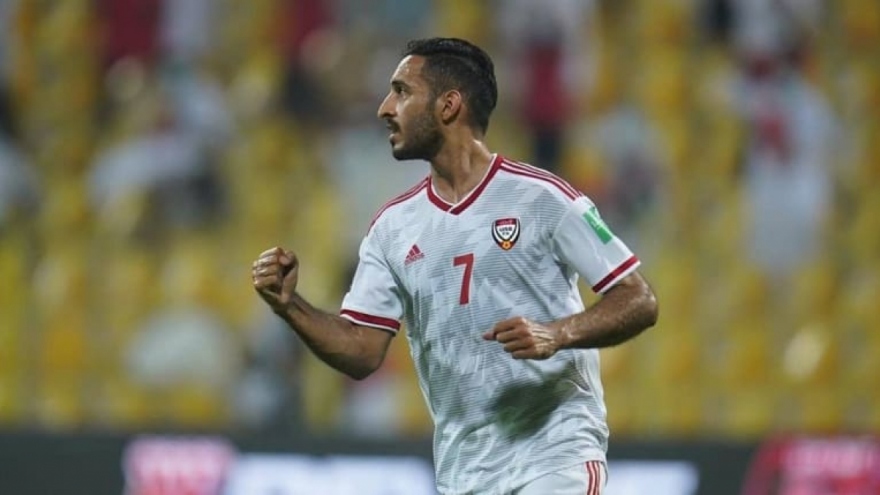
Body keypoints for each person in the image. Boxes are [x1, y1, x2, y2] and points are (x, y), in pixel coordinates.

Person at [252, 37, 659, 495]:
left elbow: (639, 299)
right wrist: (290, 306)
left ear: (448, 106)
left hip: (553, 458)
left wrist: (557, 333)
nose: (385, 108)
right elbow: (361, 351)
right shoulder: (392, 228)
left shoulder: (541, 198)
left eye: (402, 91)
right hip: (463, 475)